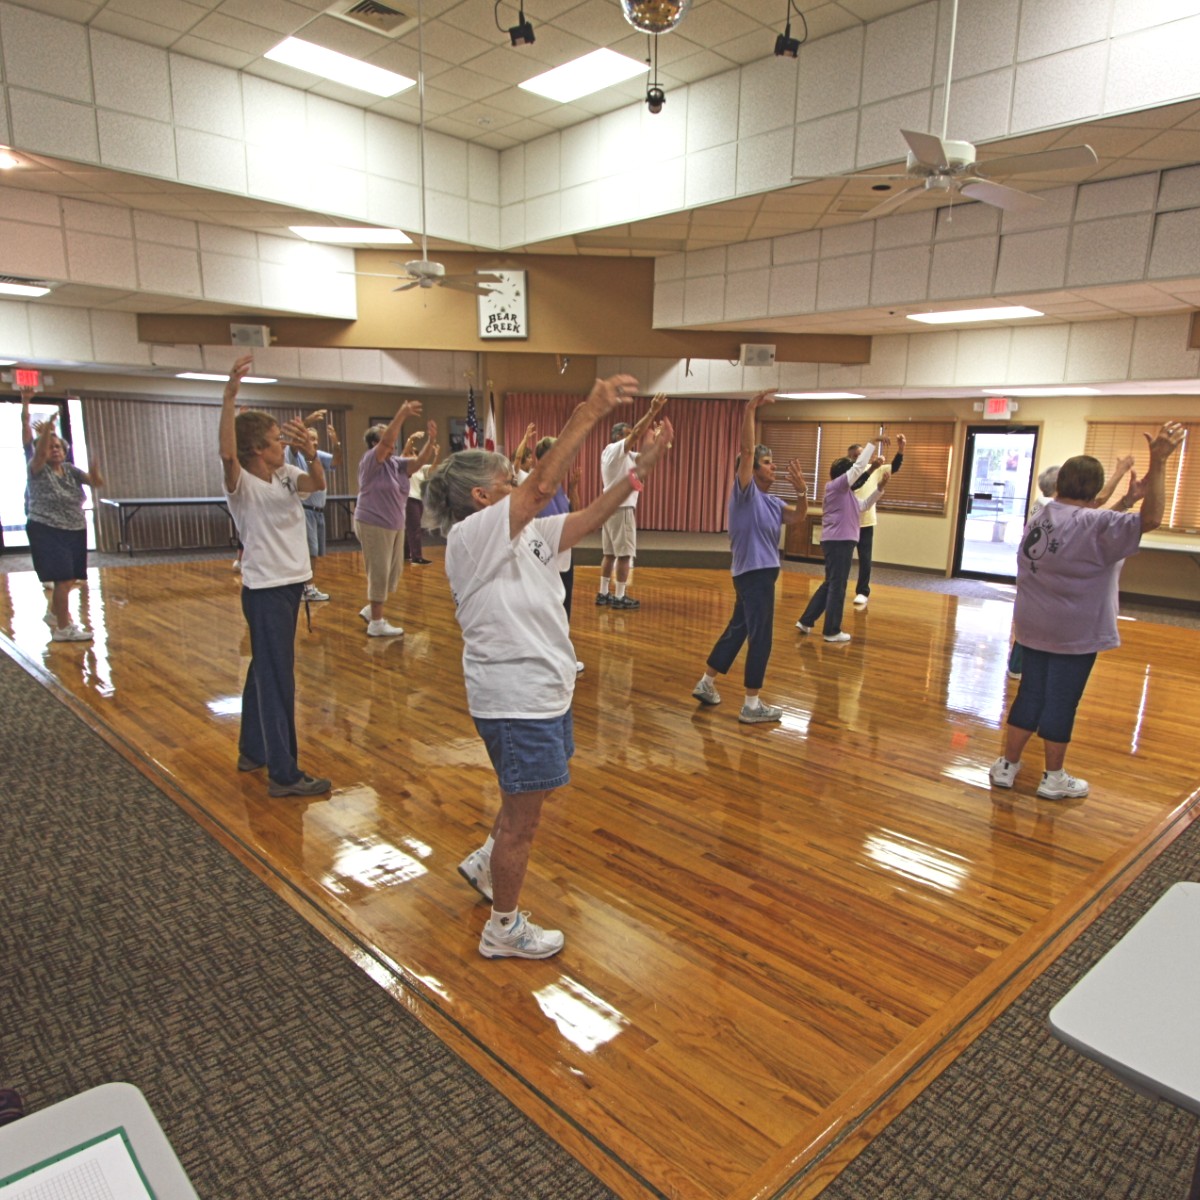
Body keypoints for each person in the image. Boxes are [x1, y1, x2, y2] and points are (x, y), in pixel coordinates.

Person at [425, 374, 673, 960]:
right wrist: (589, 411)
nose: (516, 486)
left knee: (525, 798)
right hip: (516, 698)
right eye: (502, 482)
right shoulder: (472, 536)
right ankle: (502, 927)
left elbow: (588, 518)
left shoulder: (529, 533)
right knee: (523, 821)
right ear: (481, 498)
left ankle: (488, 862)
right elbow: (540, 483)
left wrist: (644, 470)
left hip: (546, 690)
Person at [989, 423, 1185, 800]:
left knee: (1030, 694)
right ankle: (1054, 777)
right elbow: (1153, 520)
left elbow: (1084, 522)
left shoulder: (1042, 516)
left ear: (1060, 483)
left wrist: (1126, 500)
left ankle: (1007, 767)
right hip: (1072, 631)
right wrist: (1158, 462)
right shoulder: (1097, 525)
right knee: (1062, 700)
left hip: (1033, 625)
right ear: (1095, 491)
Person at [219, 355, 330, 798]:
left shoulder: (287, 474)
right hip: (264, 591)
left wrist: (309, 455)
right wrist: (229, 396)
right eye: (274, 441)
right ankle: (284, 774)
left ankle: (252, 750)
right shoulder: (240, 483)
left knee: (263, 672)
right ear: (255, 450)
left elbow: (317, 484)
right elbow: (226, 451)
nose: (280, 445)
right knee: (278, 679)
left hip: (288, 587)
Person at [692, 391, 809, 724]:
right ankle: (752, 704)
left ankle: (706, 682)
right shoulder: (745, 493)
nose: (774, 467)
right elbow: (745, 450)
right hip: (755, 575)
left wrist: (801, 492)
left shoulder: (773, 503)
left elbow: (799, 518)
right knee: (762, 636)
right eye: (768, 463)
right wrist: (748, 411)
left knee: (738, 629)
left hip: (754, 575)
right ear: (753, 469)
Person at [1007, 456, 1134, 681]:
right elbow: (1099, 501)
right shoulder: (1049, 507)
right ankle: (1015, 668)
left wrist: (1124, 500)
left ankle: (1017, 668)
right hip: (1051, 611)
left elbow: (1093, 517)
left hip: (1038, 607)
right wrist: (1121, 471)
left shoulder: (1048, 510)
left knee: (1032, 648)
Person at [354, 401, 438, 638]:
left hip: (394, 523)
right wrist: (401, 414)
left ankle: (372, 608)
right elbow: (387, 441)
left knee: (393, 572)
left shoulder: (395, 464)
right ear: (375, 443)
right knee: (379, 571)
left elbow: (419, 462)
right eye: (385, 440)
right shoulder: (371, 461)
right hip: (373, 522)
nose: (392, 444)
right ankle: (377, 622)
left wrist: (431, 442)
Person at [796, 443, 885, 644]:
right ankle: (831, 631)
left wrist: (879, 489)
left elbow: (863, 506)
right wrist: (874, 441)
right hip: (839, 542)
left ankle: (806, 620)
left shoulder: (846, 493)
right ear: (844, 475)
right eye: (851, 468)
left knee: (831, 584)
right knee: (838, 586)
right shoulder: (836, 486)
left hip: (838, 542)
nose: (856, 469)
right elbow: (857, 469)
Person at [27, 414, 103, 642]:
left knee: (71, 579)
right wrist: (48, 431)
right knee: (62, 578)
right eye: (50, 447)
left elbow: (95, 482)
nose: (55, 450)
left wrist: (95, 467)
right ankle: (63, 628)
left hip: (74, 527)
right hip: (47, 528)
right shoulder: (37, 469)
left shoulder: (70, 470)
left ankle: (53, 614)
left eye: (58, 446)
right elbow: (39, 453)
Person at [596, 392, 668, 609]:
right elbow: (637, 432)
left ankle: (603, 593)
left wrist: (656, 437)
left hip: (609, 509)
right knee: (625, 555)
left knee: (609, 554)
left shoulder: (624, 456)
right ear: (618, 436)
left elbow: (649, 459)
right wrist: (652, 411)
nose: (633, 440)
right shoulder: (614, 451)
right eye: (628, 435)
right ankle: (619, 596)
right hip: (621, 508)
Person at [534, 436, 585, 673]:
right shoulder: (535, 485)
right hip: (545, 559)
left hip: (564, 556)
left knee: (563, 608)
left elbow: (575, 513)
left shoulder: (559, 486)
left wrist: (574, 488)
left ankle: (560, 656)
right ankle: (551, 658)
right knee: (549, 610)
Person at [285, 408, 342, 602]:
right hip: (305, 511)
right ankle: (306, 588)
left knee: (315, 553)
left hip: (318, 512)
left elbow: (336, 461)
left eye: (316, 439)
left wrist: (336, 443)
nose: (314, 442)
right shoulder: (294, 454)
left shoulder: (316, 456)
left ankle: (307, 587)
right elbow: (293, 444)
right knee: (309, 552)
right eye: (310, 438)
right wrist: (306, 422)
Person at [848, 433, 905, 608]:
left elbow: (894, 466)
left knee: (865, 559)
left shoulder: (877, 469)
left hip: (867, 522)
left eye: (862, 454)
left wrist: (901, 447)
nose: (860, 457)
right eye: (857, 455)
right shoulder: (848, 472)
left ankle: (862, 592)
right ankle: (836, 587)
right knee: (843, 559)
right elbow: (853, 485)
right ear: (851, 458)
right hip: (848, 523)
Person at [404, 436, 438, 566]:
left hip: (418, 499)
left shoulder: (421, 468)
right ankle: (416, 557)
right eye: (410, 453)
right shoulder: (405, 467)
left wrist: (436, 454)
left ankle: (407, 553)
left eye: (414, 453)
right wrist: (410, 439)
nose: (411, 455)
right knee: (414, 528)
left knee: (411, 528)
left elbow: (434, 466)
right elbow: (405, 453)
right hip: (409, 498)